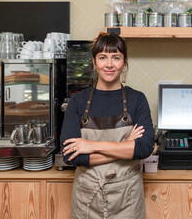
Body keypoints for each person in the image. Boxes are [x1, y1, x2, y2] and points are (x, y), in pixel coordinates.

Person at [60, 32, 154, 219]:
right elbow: (71, 156)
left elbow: (144, 148)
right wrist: (125, 146)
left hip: (127, 198)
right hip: (86, 197)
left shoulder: (137, 99)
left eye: (116, 58)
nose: (109, 65)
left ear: (124, 63)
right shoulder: (77, 101)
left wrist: (91, 146)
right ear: (94, 63)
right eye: (102, 58)